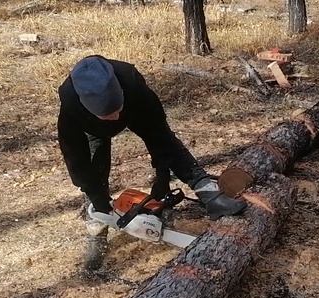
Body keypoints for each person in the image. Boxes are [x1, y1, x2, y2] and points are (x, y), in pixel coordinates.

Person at [57, 55, 246, 270]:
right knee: (95, 166)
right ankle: (97, 226)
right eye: (109, 115)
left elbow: (159, 132)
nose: (116, 117)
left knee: (168, 143)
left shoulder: (131, 81)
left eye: (117, 109)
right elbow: (75, 158)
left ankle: (208, 191)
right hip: (91, 129)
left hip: (135, 108)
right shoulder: (71, 104)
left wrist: (162, 176)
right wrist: (96, 197)